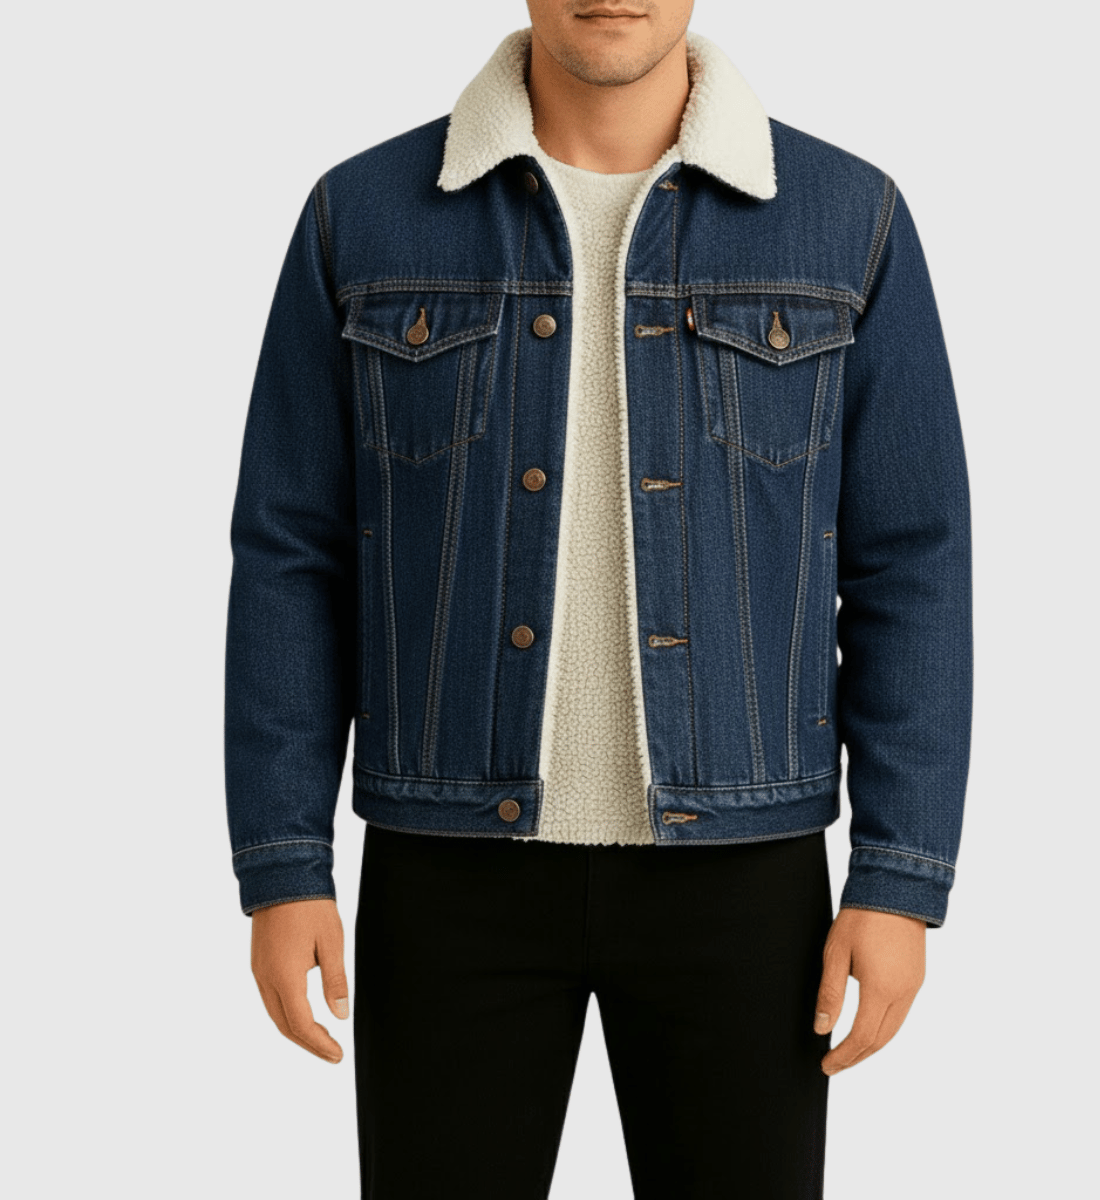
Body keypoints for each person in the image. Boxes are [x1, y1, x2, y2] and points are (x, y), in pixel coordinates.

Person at [224, 3, 973, 1196]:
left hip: (745, 872)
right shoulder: (360, 218)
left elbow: (912, 560)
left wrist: (898, 877)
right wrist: (284, 861)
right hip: (446, 864)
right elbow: (291, 551)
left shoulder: (848, 220)